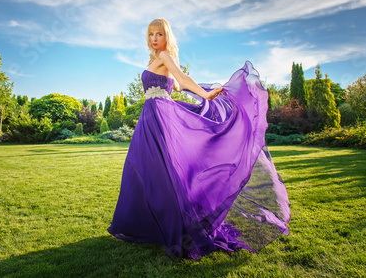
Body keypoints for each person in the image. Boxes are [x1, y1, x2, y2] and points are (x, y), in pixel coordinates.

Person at [107, 18, 290, 260]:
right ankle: (146, 225)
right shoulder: (154, 60)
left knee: (161, 171)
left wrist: (206, 94)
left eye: (159, 34)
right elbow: (177, 88)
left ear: (166, 37)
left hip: (159, 117)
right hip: (149, 117)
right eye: (151, 34)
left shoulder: (164, 57)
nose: (154, 38)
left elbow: (182, 81)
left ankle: (177, 227)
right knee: (142, 168)